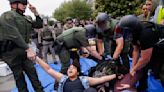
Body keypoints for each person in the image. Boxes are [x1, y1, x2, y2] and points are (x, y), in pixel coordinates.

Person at [0, 0, 44, 92]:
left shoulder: (26, 18)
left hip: (24, 51)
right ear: (13, 4)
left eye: (26, 3)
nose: (25, 5)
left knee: (33, 74)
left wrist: (35, 13)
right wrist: (28, 49)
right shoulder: (7, 15)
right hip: (12, 52)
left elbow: (39, 25)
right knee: (19, 78)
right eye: (22, 3)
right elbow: (13, 34)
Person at [116, 15, 164, 90]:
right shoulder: (133, 34)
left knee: (159, 72)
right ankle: (143, 86)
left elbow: (145, 59)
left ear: (133, 30)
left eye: (127, 31)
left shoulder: (145, 34)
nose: (125, 34)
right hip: (152, 45)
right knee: (142, 67)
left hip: (161, 46)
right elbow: (136, 50)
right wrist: (134, 67)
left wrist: (134, 69)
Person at [35, 56, 118, 92]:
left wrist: (116, 75)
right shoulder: (63, 78)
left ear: (78, 72)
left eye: (73, 68)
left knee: (91, 90)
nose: (70, 69)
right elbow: (48, 69)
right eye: (69, 68)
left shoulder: (84, 79)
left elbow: (101, 79)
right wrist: (36, 58)